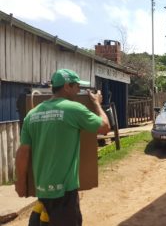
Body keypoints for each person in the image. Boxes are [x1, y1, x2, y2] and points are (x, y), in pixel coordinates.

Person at [14, 69, 111, 226]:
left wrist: (20, 183)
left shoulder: (32, 114)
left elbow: (23, 153)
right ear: (67, 86)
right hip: (64, 195)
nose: (79, 90)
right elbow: (105, 127)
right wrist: (97, 104)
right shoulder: (73, 109)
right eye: (77, 86)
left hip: (43, 191)